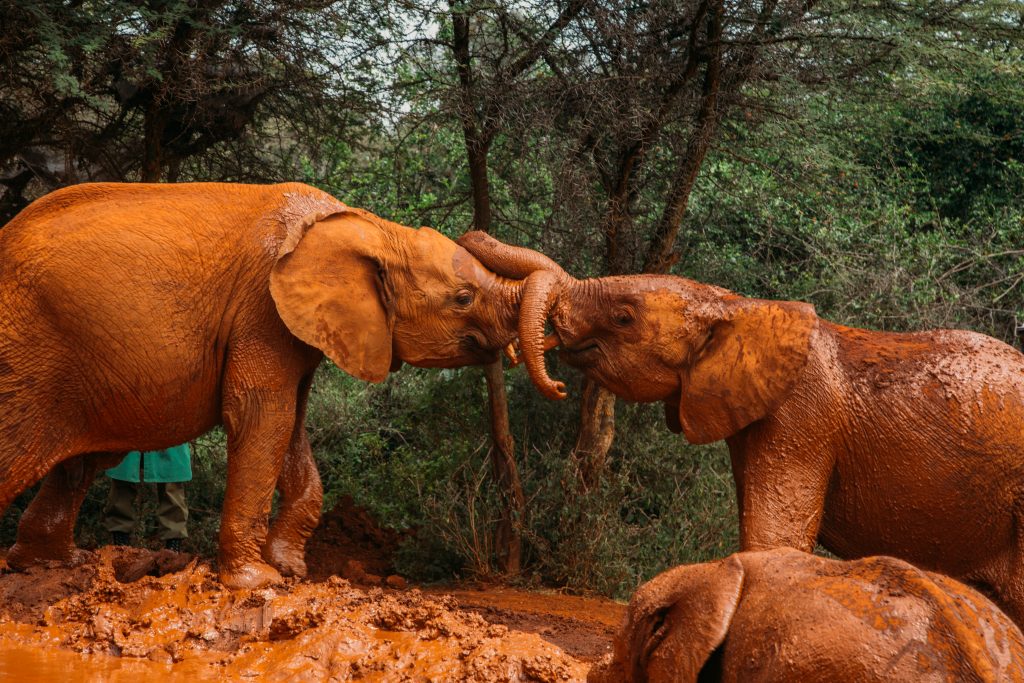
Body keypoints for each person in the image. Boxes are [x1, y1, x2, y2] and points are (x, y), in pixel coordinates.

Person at [104, 444, 192, 552]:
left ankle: (173, 548)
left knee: (171, 483)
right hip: (128, 433)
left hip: (167, 434)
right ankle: (120, 544)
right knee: (122, 479)